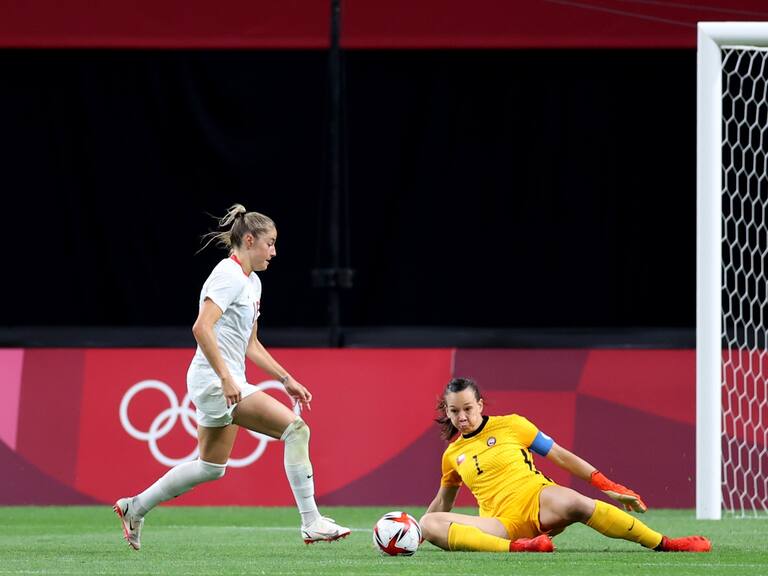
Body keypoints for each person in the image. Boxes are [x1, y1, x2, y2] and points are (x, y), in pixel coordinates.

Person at [114, 204, 350, 550]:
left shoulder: (252, 282)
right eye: (270, 243)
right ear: (249, 240)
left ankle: (135, 507)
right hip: (215, 381)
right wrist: (225, 377)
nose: (274, 252)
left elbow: (251, 344)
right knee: (296, 430)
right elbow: (201, 327)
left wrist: (285, 378)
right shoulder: (228, 275)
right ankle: (311, 521)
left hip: (222, 379)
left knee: (211, 467)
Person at [420, 377, 711, 554]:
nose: (462, 417)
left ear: (481, 405)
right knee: (429, 523)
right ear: (447, 411)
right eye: (454, 411)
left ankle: (665, 543)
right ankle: (521, 548)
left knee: (576, 503)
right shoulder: (452, 455)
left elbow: (561, 456)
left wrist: (608, 486)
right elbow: (443, 502)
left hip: (537, 500)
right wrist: (415, 534)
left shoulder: (513, 425)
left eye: (468, 408)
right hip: (500, 525)